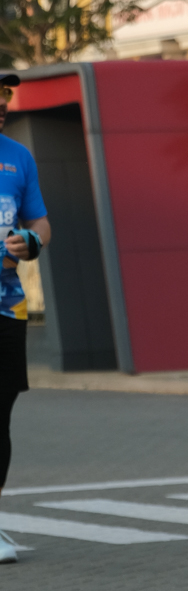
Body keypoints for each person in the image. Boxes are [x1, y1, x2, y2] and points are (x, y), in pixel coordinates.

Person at [0, 72, 51, 566]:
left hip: (6, 307)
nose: (2, 102)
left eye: (5, 94)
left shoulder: (18, 157)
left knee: (0, 416)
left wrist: (31, 241)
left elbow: (39, 222)